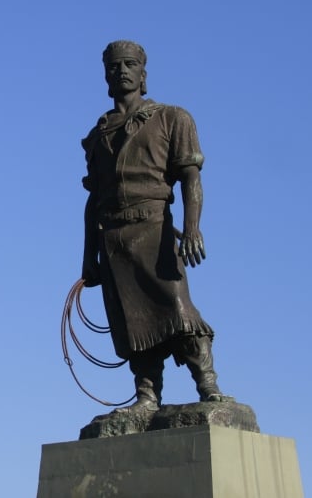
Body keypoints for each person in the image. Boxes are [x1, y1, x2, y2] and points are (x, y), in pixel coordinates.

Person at [80, 40, 229, 412]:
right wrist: (88, 257)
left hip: (154, 229)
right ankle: (147, 395)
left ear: (143, 74)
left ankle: (208, 385)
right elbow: (92, 201)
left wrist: (192, 227)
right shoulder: (97, 136)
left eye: (130, 64)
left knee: (179, 310)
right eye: (115, 66)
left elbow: (190, 178)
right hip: (113, 240)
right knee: (131, 322)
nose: (122, 71)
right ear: (105, 75)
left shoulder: (172, 118)